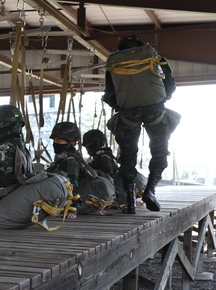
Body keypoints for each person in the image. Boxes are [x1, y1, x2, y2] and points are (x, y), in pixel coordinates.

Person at [103, 34, 180, 213]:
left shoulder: (115, 62)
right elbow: (170, 86)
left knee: (128, 158)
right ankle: (150, 191)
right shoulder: (155, 56)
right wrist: (160, 100)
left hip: (128, 113)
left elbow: (109, 93)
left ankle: (130, 200)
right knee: (160, 151)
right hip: (155, 111)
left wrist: (122, 107)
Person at [46, 121, 85, 216]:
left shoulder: (71, 161)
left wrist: (72, 209)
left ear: (71, 142)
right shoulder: (62, 158)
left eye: (59, 141)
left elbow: (73, 186)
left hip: (70, 206)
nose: (55, 143)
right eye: (54, 140)